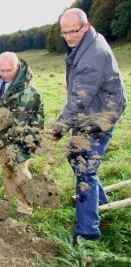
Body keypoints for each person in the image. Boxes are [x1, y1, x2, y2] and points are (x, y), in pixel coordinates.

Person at [51, 8, 127, 244]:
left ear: (86, 26)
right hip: (90, 111)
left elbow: (78, 100)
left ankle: (88, 233)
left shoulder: (92, 56)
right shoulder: (87, 40)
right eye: (64, 33)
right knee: (75, 157)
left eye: (73, 31)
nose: (69, 37)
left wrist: (58, 129)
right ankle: (100, 202)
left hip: (101, 115)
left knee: (85, 170)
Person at [0, 52, 44, 219]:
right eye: (2, 70)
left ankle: (25, 207)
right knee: (7, 168)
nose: (5, 74)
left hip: (24, 136)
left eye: (9, 70)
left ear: (17, 67)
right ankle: (10, 197)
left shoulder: (27, 93)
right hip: (4, 134)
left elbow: (19, 127)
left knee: (20, 170)